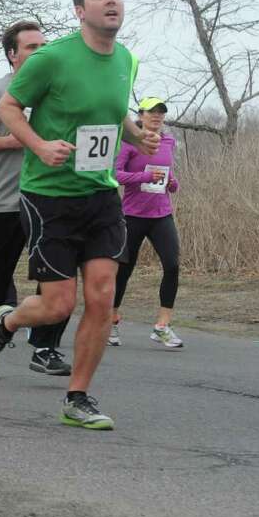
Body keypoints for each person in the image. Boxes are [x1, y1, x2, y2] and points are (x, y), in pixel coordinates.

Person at [0, 0, 160, 431]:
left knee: (101, 295)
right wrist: (38, 145)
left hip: (100, 194)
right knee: (57, 305)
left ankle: (77, 397)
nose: (111, 2)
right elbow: (8, 109)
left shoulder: (127, 60)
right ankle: (5, 324)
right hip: (49, 195)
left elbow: (113, 109)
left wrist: (139, 134)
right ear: (80, 11)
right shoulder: (52, 59)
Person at [0, 21, 71, 379]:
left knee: (59, 275)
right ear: (12, 54)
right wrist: (10, 142)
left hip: (49, 199)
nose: (41, 52)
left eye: (44, 45)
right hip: (4, 201)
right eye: (31, 47)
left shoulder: (57, 94)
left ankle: (45, 347)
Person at [111, 97, 183, 348]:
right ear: (140, 115)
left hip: (161, 213)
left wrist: (172, 182)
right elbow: (115, 175)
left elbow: (165, 171)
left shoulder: (168, 141)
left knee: (172, 265)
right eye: (151, 112)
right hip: (132, 214)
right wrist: (142, 177)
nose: (156, 116)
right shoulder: (130, 142)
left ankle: (162, 325)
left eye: (161, 112)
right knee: (123, 270)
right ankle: (111, 320)